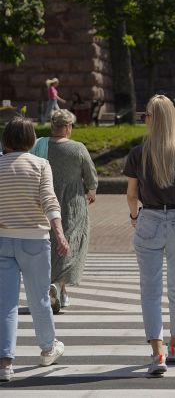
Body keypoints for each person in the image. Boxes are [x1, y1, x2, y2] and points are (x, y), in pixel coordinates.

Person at [123, 94, 175, 376]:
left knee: (150, 291)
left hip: (148, 221)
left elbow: (132, 195)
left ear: (153, 120)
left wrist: (134, 217)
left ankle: (157, 353)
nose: (144, 119)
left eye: (146, 115)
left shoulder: (138, 153)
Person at [0, 116, 70, 382]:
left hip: (3, 239)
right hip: (35, 240)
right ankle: (47, 348)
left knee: (5, 303)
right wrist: (59, 234)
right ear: (31, 139)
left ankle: (5, 362)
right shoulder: (40, 164)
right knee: (39, 297)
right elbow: (49, 201)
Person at [31, 110, 98, 310]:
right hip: (72, 203)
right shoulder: (78, 148)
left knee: (52, 242)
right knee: (71, 243)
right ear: (68, 127)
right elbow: (90, 175)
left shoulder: (40, 145)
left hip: (46, 200)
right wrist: (92, 190)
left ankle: (58, 288)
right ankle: (59, 285)